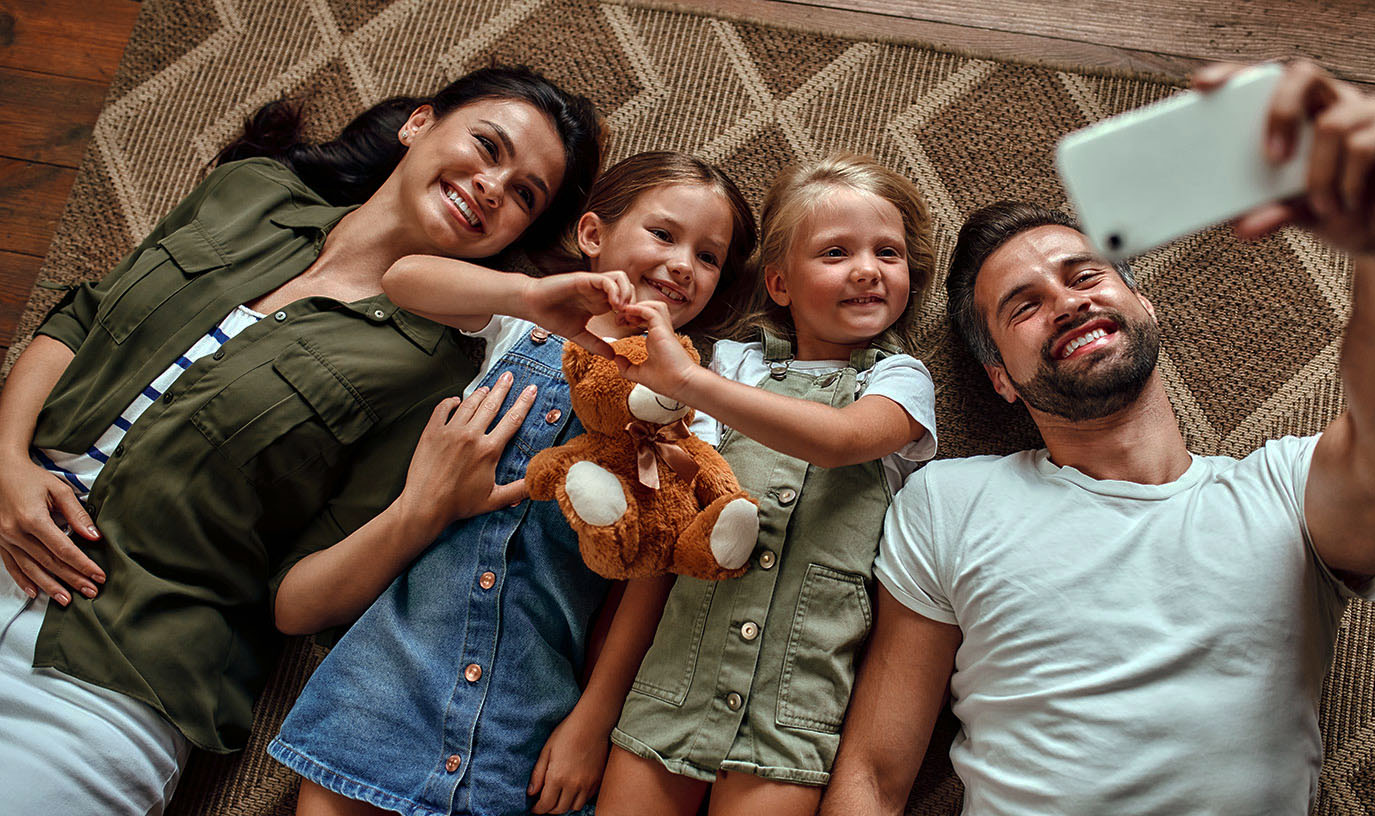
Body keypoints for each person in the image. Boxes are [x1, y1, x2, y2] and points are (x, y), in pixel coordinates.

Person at [819, 60, 1375, 815]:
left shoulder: (1288, 490)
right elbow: (871, 773)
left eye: (1085, 275)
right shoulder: (949, 501)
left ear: (1143, 304)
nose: (1065, 302)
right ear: (1000, 376)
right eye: (1023, 306)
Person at [0, 66, 604, 815]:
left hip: (110, 676)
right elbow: (82, 320)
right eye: (487, 147)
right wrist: (6, 464)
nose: (492, 187)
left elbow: (293, 601)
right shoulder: (250, 194)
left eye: (523, 195)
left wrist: (422, 512)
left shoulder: (438, 369)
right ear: (419, 124)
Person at [268, 150, 759, 816]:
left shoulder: (693, 393)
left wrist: (595, 719)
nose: (682, 264)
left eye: (709, 257)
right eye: (664, 234)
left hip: (529, 705)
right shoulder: (521, 323)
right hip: (384, 679)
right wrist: (525, 294)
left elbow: (653, 571)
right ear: (592, 235)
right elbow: (404, 278)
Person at [596, 154, 941, 816]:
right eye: (836, 252)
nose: (867, 269)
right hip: (671, 684)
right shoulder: (732, 364)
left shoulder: (899, 379)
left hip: (794, 710)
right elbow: (671, 523)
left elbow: (839, 442)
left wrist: (691, 385)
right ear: (779, 284)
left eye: (888, 253)